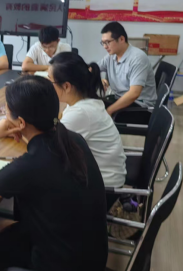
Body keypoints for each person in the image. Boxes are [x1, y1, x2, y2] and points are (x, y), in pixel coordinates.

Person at [0, 76, 108, 271]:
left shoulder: (30, 166)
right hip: (91, 261)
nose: (4, 115)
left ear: (20, 123)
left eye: (6, 111)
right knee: (2, 227)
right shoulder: (72, 139)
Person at [49, 52, 126, 206]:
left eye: (50, 81)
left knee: (38, 179)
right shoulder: (86, 102)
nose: (48, 85)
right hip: (103, 177)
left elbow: (48, 147)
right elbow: (58, 123)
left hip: (101, 190)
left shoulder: (81, 113)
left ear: (66, 86)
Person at [99, 22, 157, 115]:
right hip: (120, 98)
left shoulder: (137, 58)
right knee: (94, 106)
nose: (105, 46)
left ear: (121, 39)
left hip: (140, 106)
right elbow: (92, 69)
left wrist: (109, 111)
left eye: (108, 42)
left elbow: (134, 94)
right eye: (103, 43)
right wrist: (100, 79)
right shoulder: (111, 56)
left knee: (97, 112)